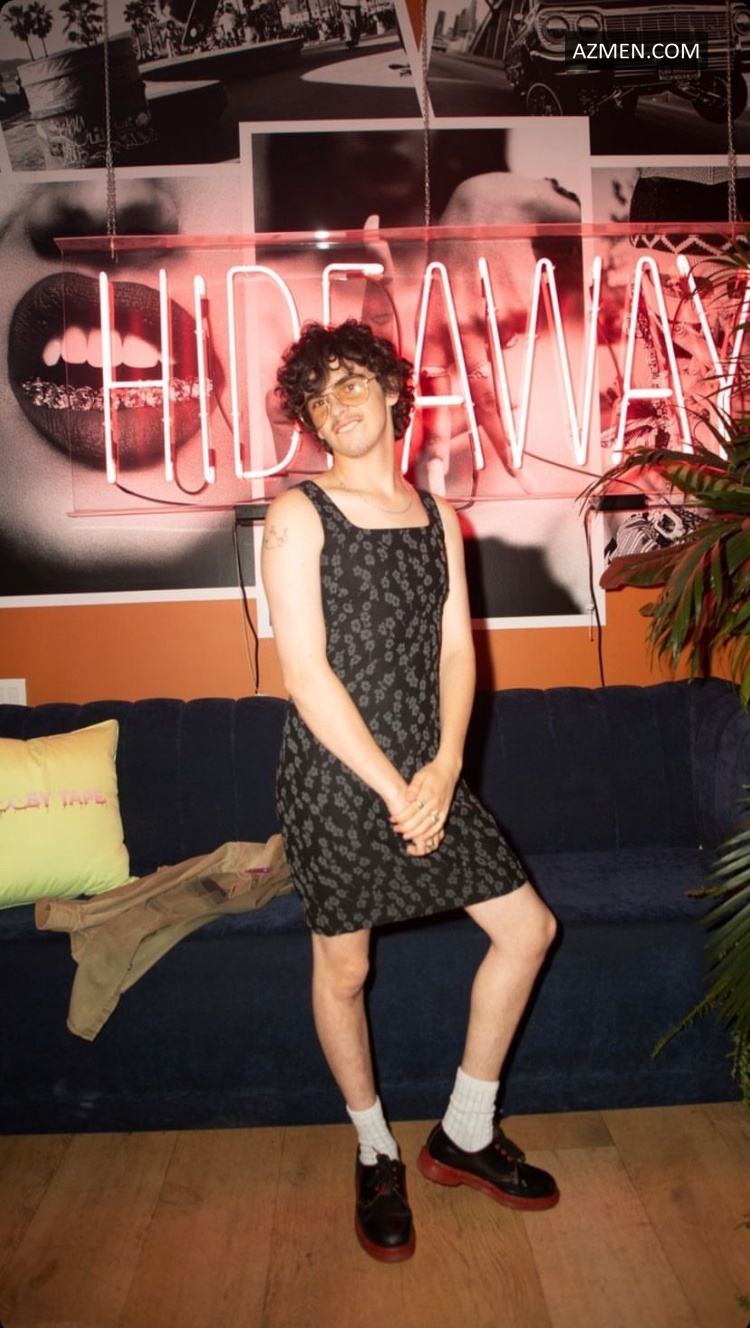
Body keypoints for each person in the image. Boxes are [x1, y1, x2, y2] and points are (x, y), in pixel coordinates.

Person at [261, 318, 559, 1263]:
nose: (336, 405)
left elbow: (458, 651)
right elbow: (305, 675)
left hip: (430, 772)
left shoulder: (440, 516)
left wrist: (445, 767)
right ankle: (375, 1147)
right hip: (337, 776)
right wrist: (397, 788)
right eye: (318, 396)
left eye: (353, 383)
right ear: (310, 420)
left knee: (529, 930)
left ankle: (464, 1131)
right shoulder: (298, 513)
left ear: (395, 394)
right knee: (346, 970)